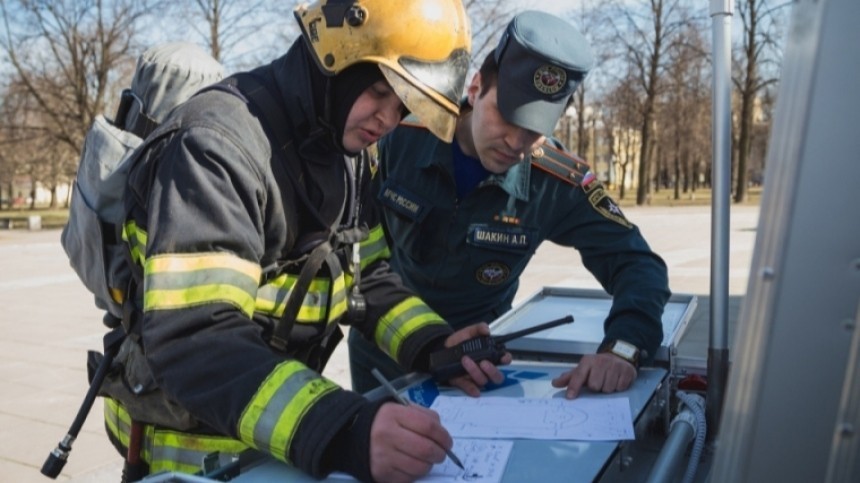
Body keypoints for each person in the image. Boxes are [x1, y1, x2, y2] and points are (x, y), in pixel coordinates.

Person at [102, 1, 508, 482]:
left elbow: (367, 277)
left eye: (402, 106)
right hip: (192, 449)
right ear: (335, 56)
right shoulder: (216, 148)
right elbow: (197, 337)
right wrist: (343, 429)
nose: (388, 119)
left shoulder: (347, 150)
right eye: (380, 91)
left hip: (278, 435)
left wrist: (434, 344)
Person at [349, 10, 671, 399]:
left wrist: (623, 347)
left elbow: (638, 264)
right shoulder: (399, 136)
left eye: (534, 131)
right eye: (506, 116)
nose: (516, 143)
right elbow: (354, 243)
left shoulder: (556, 183)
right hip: (385, 354)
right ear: (475, 88)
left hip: (477, 369)